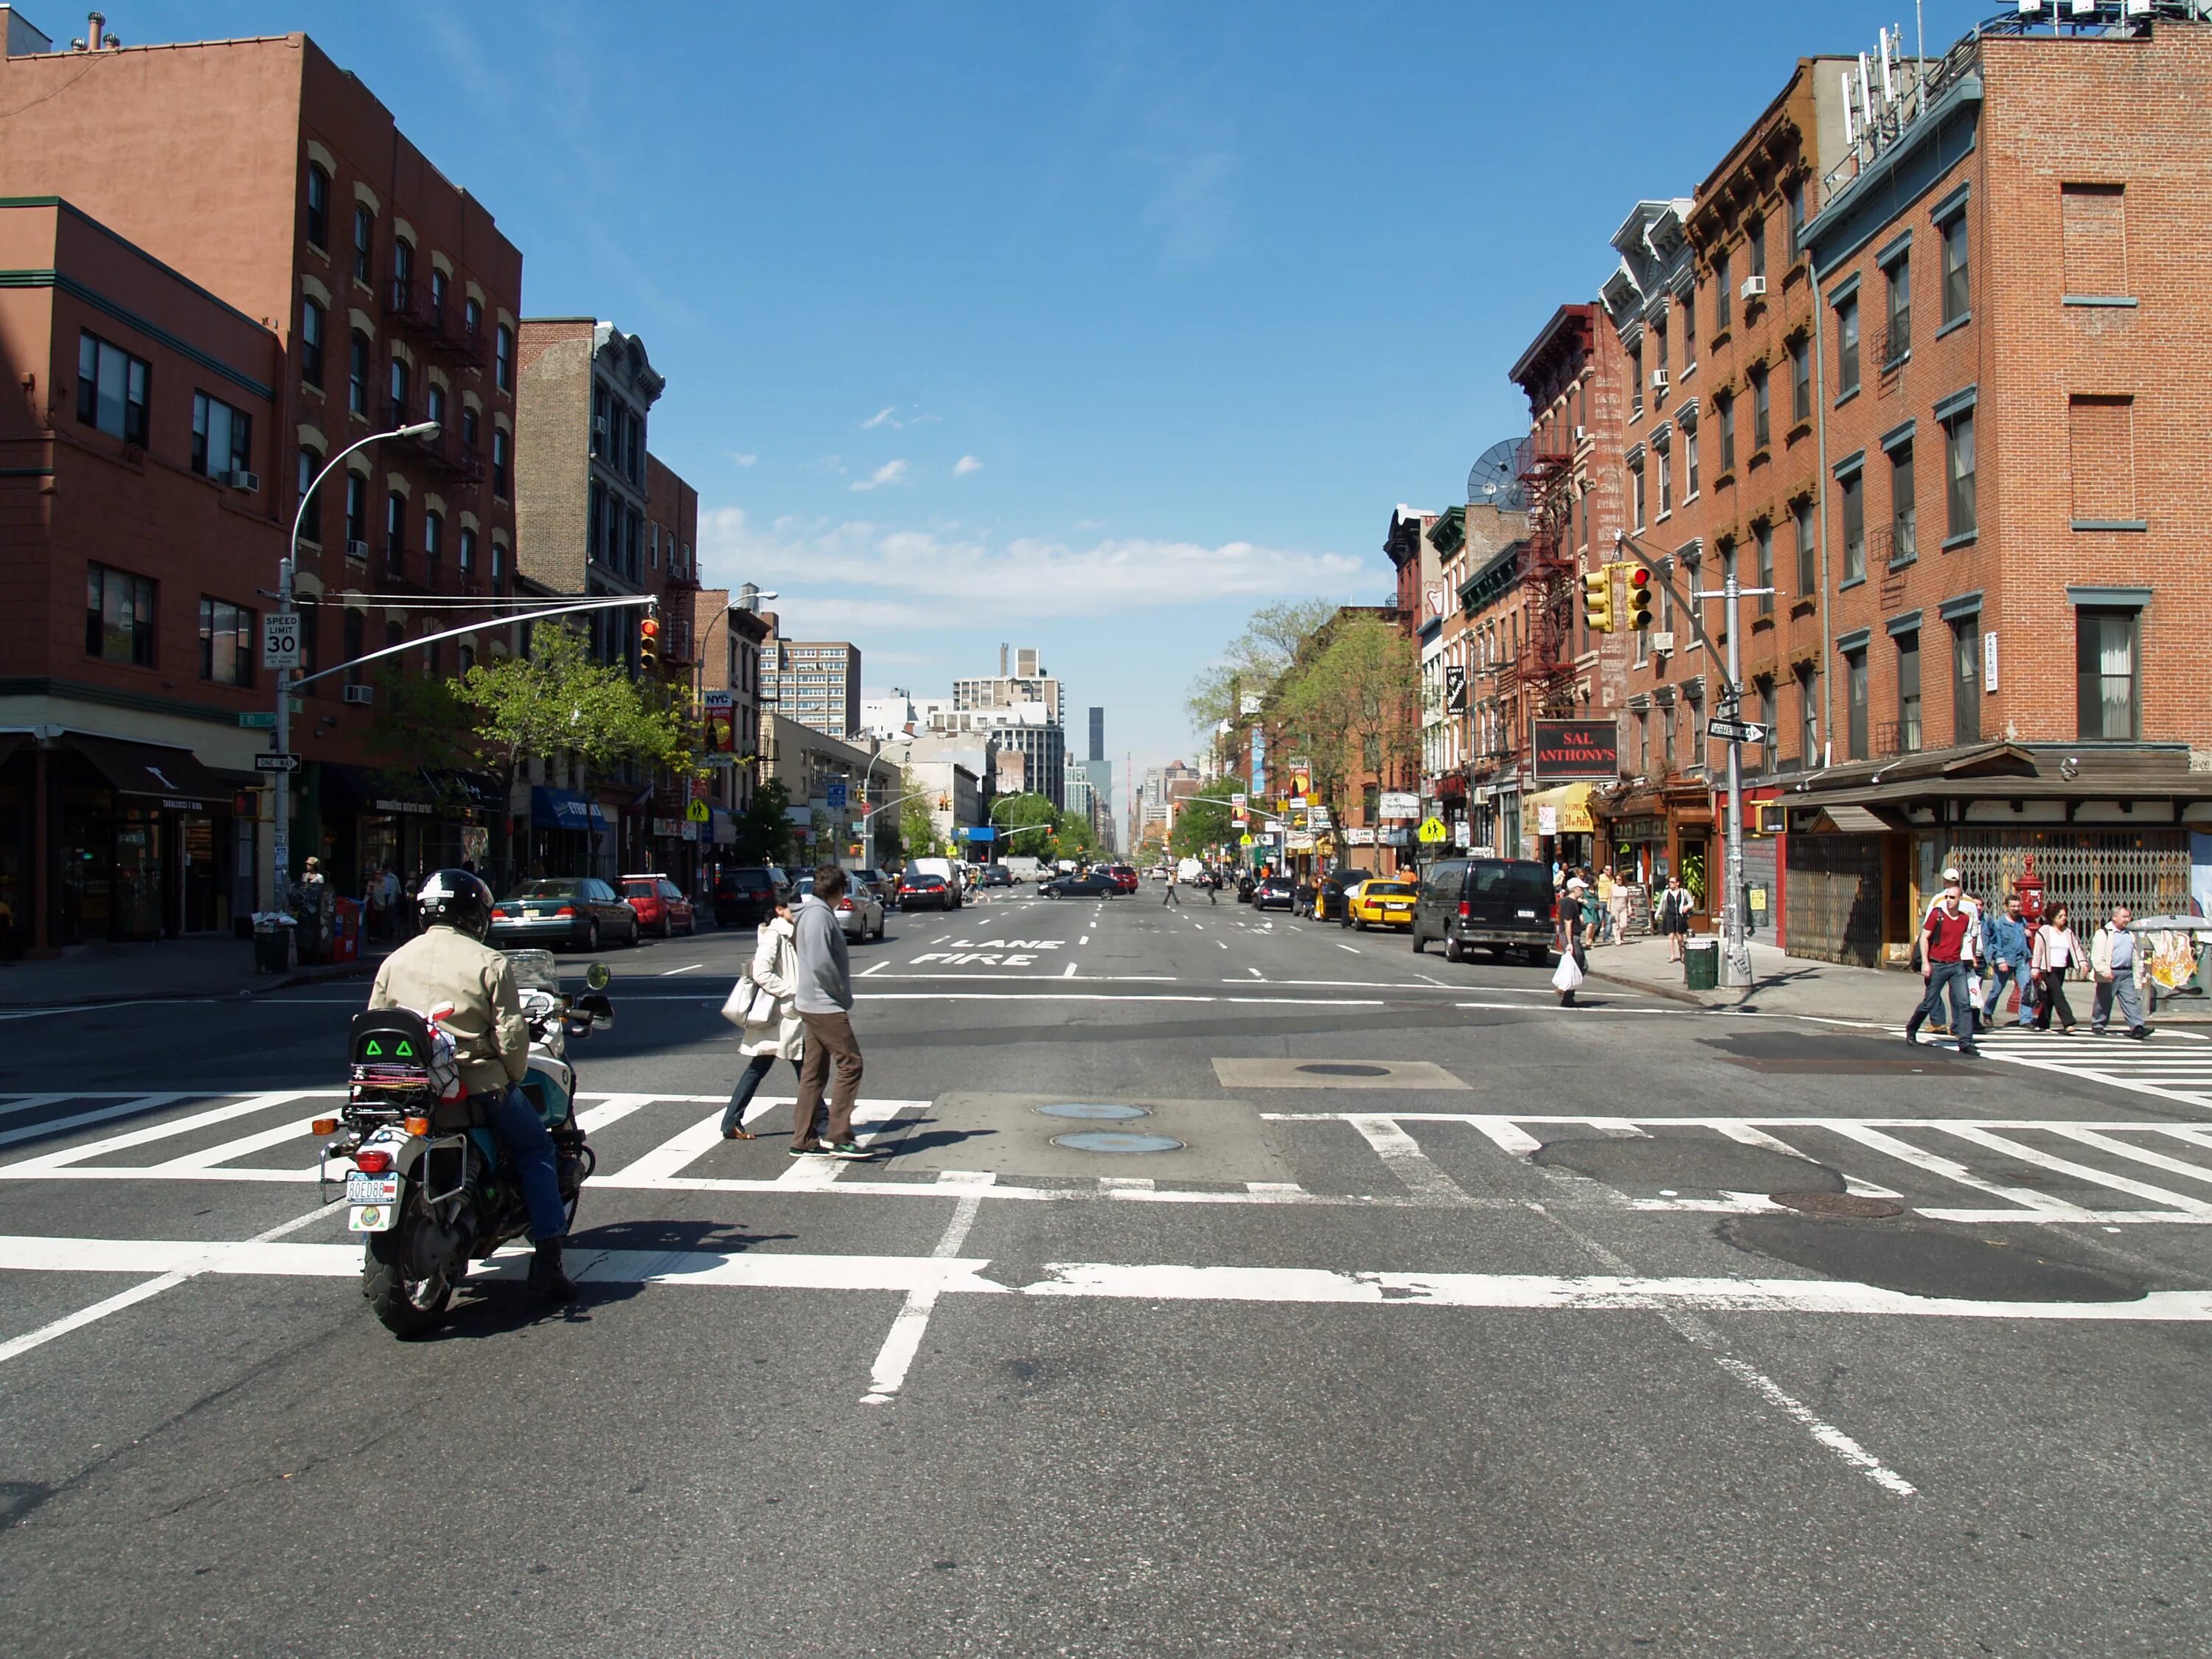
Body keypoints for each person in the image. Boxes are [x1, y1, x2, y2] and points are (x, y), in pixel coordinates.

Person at [366, 869, 576, 1301]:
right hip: (476, 1085)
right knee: (536, 1150)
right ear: (473, 914)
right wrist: (511, 1076)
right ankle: (548, 1260)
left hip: (406, 1092)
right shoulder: (488, 961)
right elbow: (512, 1035)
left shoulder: (394, 961)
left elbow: (377, 1024)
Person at [790, 865, 870, 1158]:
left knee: (814, 1072)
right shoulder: (819, 917)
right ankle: (838, 1134)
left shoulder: (812, 914)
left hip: (811, 1001)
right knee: (851, 1063)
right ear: (838, 891)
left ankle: (803, 1138)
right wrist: (841, 995)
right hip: (823, 1004)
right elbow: (822, 964)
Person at [721, 897, 804, 1138]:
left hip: (785, 1015)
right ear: (780, 910)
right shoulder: (774, 935)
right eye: (794, 907)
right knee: (805, 1068)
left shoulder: (788, 934)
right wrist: (792, 990)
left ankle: (731, 1121)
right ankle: (824, 1123)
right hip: (780, 1015)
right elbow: (761, 972)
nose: (798, 912)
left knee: (764, 1066)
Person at [1905, 883, 1980, 1057]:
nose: (1948, 901)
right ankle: (1912, 1029)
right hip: (1937, 964)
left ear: (1960, 900)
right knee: (1929, 1002)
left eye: (1952, 898)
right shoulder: (1936, 915)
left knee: (1964, 1003)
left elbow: (1965, 940)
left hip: (1956, 965)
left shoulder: (1964, 919)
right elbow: (1924, 938)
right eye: (1946, 897)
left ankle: (1966, 1041)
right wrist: (1925, 962)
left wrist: (1969, 958)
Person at [2090, 902, 2151, 1040]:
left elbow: (2135, 955)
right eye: (2124, 917)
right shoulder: (2104, 933)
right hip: (2110, 972)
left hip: (2126, 973)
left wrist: (2137, 973)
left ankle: (2137, 1026)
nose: (2127, 920)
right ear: (2115, 917)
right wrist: (2104, 971)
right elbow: (2097, 955)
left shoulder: (2129, 934)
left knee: (2130, 1000)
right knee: (2103, 1000)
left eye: (2128, 917)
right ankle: (2098, 1023)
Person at [1980, 891, 2034, 1030]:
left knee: (2026, 988)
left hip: (2021, 959)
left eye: (2018, 906)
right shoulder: (1999, 924)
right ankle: (1987, 1012)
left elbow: (2023, 937)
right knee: (1997, 989)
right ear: (2006, 907)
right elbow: (1996, 943)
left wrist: (2027, 935)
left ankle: (2026, 1019)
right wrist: (2000, 960)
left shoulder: (2022, 921)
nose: (2016, 909)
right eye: (2013, 906)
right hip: (2006, 960)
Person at [2032, 902, 2081, 1034]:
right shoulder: (2044, 931)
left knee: (2051, 996)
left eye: (2065, 916)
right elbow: (2038, 950)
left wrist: (2082, 962)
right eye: (2060, 916)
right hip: (2047, 968)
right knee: (2058, 994)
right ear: (2053, 917)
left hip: (2061, 967)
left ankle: (2043, 1022)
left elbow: (2076, 948)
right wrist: (2035, 968)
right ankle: (2068, 1022)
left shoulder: (2068, 932)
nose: (2063, 918)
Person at [1655, 874, 1692, 962]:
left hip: (1680, 915)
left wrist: (1686, 907)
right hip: (1670, 915)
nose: (1670, 884)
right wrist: (1657, 914)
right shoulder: (1666, 893)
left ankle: (1682, 954)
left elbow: (1691, 902)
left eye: (1672, 882)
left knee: (1680, 937)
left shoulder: (1683, 892)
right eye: (1669, 882)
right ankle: (1672, 956)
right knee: (1671, 936)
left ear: (1677, 883)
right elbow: (1661, 905)